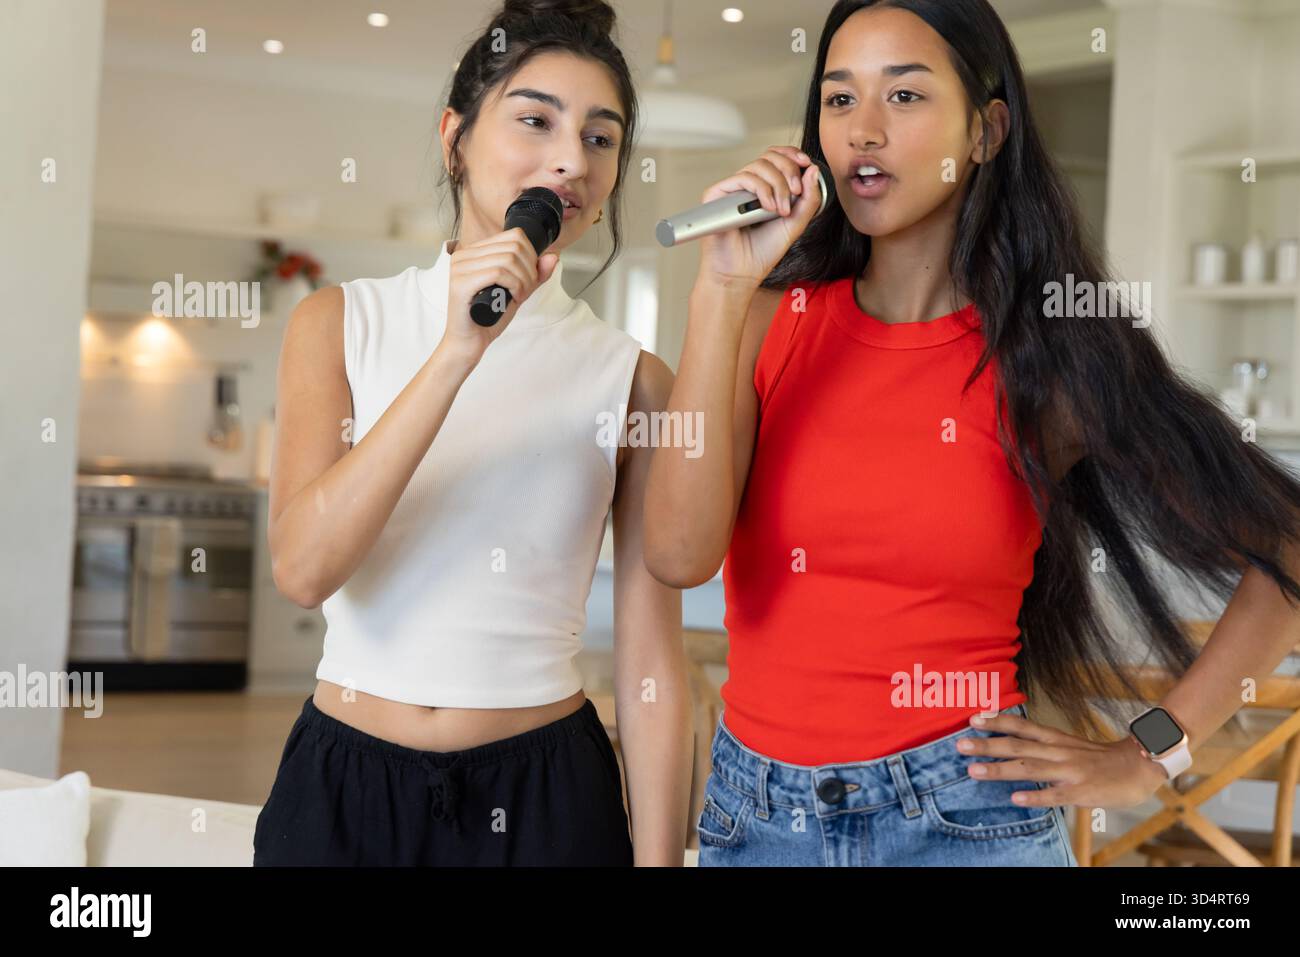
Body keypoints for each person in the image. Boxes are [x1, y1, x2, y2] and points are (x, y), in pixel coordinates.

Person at [644, 0, 1300, 866]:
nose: (864, 133)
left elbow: (1287, 544)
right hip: (759, 818)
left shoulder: (1055, 360)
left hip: (963, 821)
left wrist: (1148, 753)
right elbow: (678, 553)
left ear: (987, 131)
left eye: (905, 97)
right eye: (840, 101)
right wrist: (718, 294)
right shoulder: (767, 320)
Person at [253, 0, 690, 866]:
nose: (570, 159)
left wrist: (663, 863)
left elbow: (652, 665)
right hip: (343, 789)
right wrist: (458, 352)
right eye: (535, 120)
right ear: (455, 137)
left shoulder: (633, 379)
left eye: (601, 139)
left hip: (546, 797)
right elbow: (303, 569)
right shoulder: (338, 322)